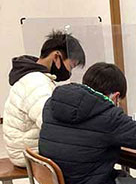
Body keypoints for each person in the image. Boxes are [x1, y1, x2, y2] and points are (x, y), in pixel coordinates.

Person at [3, 31, 85, 167]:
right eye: (70, 66)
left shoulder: (32, 76)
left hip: (23, 148)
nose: (69, 73)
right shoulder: (37, 82)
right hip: (28, 152)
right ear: (57, 57)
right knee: (91, 151)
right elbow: (49, 123)